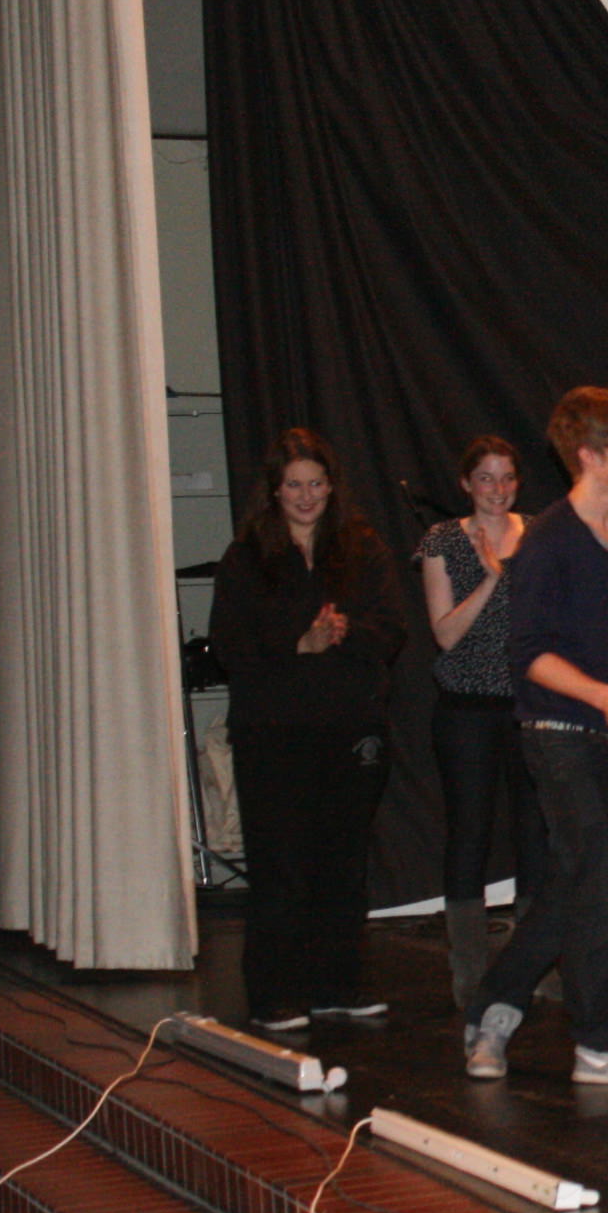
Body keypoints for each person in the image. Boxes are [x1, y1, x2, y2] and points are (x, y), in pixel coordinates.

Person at [466, 388, 608, 1088]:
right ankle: (600, 1044)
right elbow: (529, 655)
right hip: (556, 730)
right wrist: (604, 696)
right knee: (601, 883)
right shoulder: (547, 539)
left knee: (574, 886)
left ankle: (492, 1007)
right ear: (589, 454)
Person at [209, 428, 407, 1031]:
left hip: (349, 729)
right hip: (273, 732)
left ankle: (336, 987)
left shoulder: (363, 548)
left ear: (332, 486)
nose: (305, 496)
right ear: (274, 490)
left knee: (342, 864)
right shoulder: (246, 558)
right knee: (281, 866)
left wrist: (343, 633)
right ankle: (273, 995)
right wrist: (300, 643)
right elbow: (229, 645)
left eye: (315, 484)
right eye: (293, 485)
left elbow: (391, 630)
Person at [415, 435, 547, 1015]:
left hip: (529, 705)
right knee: (470, 832)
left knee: (536, 834)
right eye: (486, 478)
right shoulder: (443, 539)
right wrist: (492, 578)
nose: (498, 489)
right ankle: (469, 971)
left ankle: (535, 965)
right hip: (466, 708)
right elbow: (445, 634)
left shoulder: (540, 533)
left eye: (507, 477)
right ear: (466, 484)